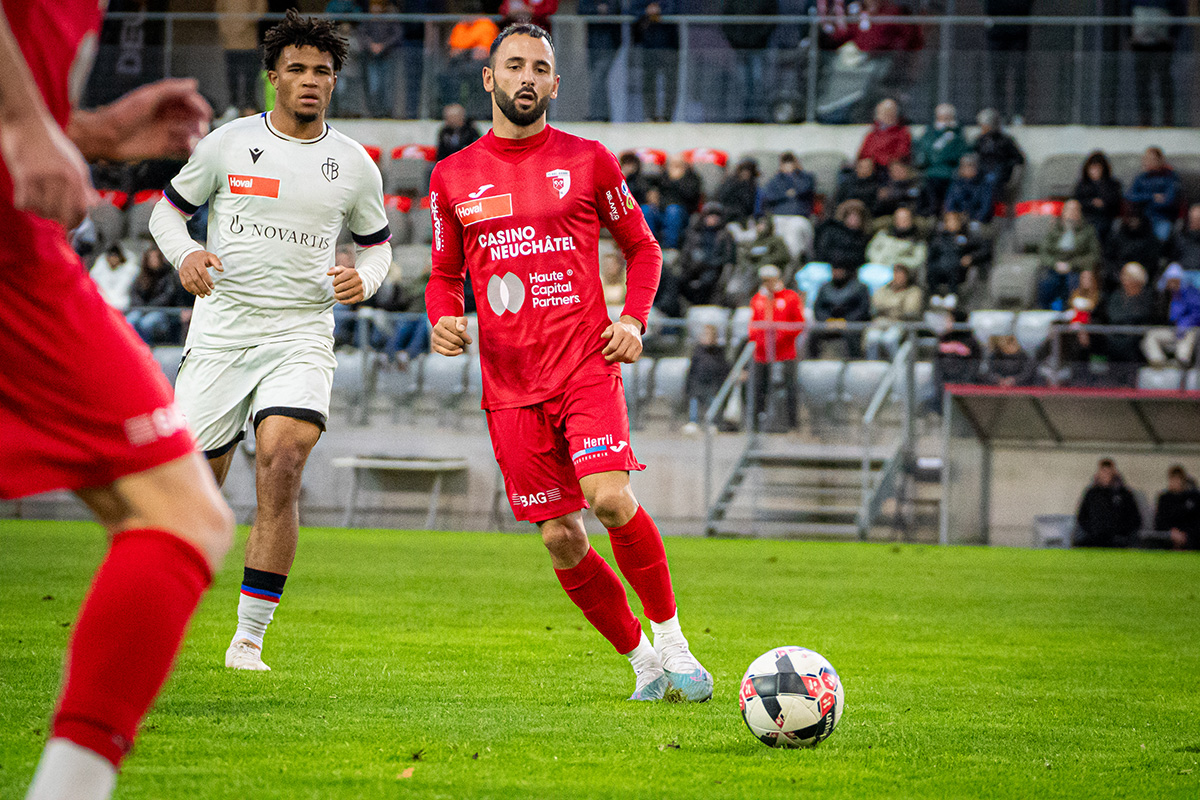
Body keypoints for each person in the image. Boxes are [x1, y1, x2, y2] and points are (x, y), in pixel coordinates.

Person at [425, 23, 712, 702]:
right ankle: (644, 665)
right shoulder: (452, 176)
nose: (526, 77)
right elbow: (443, 274)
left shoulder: (588, 160)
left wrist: (632, 320)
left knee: (608, 498)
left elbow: (643, 248)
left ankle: (674, 642)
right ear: (489, 78)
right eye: (513, 65)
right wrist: (442, 317)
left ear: (555, 84)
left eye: (539, 68)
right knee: (559, 536)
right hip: (509, 385)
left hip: (586, 363)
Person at [2, 2, 235, 798]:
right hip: (14, 244)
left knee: (182, 516)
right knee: (180, 516)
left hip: (22, 239)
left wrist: (88, 132)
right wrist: (25, 123)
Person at [148, 10, 392, 672]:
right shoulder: (226, 144)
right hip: (222, 334)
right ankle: (162, 620)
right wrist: (186, 254)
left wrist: (365, 280)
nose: (311, 80)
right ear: (273, 78)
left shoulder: (355, 165)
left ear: (334, 81)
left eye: (323, 71)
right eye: (297, 69)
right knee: (194, 491)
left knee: (282, 462)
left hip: (300, 334)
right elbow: (167, 212)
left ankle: (249, 639)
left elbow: (377, 247)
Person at [748, 264, 803, 430]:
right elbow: (754, 325)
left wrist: (780, 336)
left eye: (769, 280)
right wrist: (761, 341)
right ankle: (756, 425)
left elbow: (798, 323)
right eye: (764, 280)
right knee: (759, 387)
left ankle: (792, 424)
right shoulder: (758, 299)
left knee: (790, 387)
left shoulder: (790, 297)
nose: (767, 284)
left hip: (785, 352)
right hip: (762, 353)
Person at [1125, 0, 1183, 127]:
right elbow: (1126, 10)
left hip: (1163, 42)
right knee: (1142, 81)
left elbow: (1180, 10)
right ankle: (1145, 119)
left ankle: (1168, 119)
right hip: (1140, 43)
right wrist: (1130, 35)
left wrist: (1172, 35)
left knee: (1164, 80)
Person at [1099, 262, 1158, 385]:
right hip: (1114, 338)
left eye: (1127, 276)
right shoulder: (1115, 296)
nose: (1123, 279)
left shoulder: (1148, 297)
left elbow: (1145, 317)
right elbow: (1111, 315)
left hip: (1135, 340)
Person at [1036, 199, 1101, 311]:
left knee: (1075, 282)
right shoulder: (1054, 229)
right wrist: (1055, 264)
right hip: (1055, 267)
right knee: (1046, 282)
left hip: (1077, 268)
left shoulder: (1088, 230)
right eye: (1069, 210)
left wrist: (1072, 265)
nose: (1072, 213)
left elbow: (1093, 255)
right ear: (1063, 212)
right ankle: (1046, 311)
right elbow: (1044, 252)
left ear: (1080, 213)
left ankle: (1071, 312)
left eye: (1075, 210)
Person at [721, 0, 778, 123]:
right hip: (740, 48)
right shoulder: (733, 2)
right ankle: (744, 116)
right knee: (742, 83)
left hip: (759, 47)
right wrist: (737, 41)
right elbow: (726, 22)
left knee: (758, 81)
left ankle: (759, 115)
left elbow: (771, 19)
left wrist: (756, 39)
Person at [983, 0, 1033, 123]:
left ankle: (1018, 114)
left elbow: (1024, 6)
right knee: (998, 76)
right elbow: (990, 7)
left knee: (1019, 75)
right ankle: (1000, 114)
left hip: (1019, 32)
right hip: (997, 34)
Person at [1142, 262, 1200, 367]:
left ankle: (1181, 364)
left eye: (1175, 281)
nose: (1173, 284)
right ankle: (1159, 363)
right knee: (1151, 336)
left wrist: (1185, 324)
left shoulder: (1191, 292)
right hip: (1172, 330)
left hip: (1190, 329)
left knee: (1187, 339)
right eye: (1170, 281)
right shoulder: (1164, 294)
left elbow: (1197, 313)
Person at [679, 201, 737, 306]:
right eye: (710, 216)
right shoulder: (694, 233)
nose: (713, 219)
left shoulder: (725, 235)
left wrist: (712, 263)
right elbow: (685, 255)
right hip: (694, 269)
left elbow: (728, 257)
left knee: (708, 280)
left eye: (716, 216)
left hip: (714, 270)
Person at [761, 152, 816, 262]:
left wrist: (795, 175)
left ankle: (793, 261)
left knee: (795, 231)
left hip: (798, 216)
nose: (788, 166)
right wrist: (787, 194)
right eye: (785, 163)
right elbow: (769, 196)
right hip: (779, 216)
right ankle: (781, 260)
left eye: (790, 162)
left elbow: (805, 188)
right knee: (778, 234)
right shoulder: (775, 180)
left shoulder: (805, 177)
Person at [913, 103, 970, 210]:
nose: (945, 120)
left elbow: (961, 153)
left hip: (951, 172)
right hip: (932, 172)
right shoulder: (929, 133)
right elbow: (926, 152)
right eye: (942, 117)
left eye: (948, 117)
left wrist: (943, 156)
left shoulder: (958, 134)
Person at [1074, 458, 1142, 548]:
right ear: (1099, 473)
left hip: (1118, 540)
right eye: (1103, 472)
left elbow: (1135, 518)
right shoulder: (1091, 493)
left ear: (1114, 472)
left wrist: (1123, 533)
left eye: (1108, 472)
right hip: (1094, 539)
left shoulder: (1124, 494)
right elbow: (1082, 516)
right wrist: (1092, 530)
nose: (1105, 475)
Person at [125, 247, 186, 345]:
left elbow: (167, 297)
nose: (153, 261)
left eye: (156, 258)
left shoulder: (168, 275)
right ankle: (131, 346)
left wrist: (149, 307)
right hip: (142, 310)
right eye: (151, 258)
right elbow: (134, 294)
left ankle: (144, 347)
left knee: (146, 323)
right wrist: (143, 308)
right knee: (129, 320)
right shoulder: (141, 276)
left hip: (162, 311)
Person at [631, 0, 679, 122]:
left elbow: (679, 8)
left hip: (669, 44)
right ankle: (650, 116)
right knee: (648, 82)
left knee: (670, 83)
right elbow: (631, 9)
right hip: (647, 43)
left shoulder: (670, 4)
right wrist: (646, 11)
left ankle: (667, 117)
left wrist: (660, 10)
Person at [926, 210, 991, 298]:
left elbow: (985, 248)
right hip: (940, 271)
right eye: (949, 221)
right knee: (932, 268)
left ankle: (952, 295)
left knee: (954, 268)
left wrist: (971, 257)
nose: (952, 223)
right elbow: (931, 255)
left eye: (955, 221)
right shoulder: (939, 239)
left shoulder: (966, 237)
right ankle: (935, 295)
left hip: (958, 272)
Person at [810, 263, 870, 358]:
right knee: (813, 333)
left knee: (852, 336)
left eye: (840, 270)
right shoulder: (825, 288)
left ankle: (854, 361)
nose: (837, 273)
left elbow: (862, 309)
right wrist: (828, 321)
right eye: (835, 270)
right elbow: (818, 308)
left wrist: (844, 321)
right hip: (828, 323)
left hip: (851, 324)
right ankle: (813, 362)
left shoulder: (859, 288)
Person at [643, 154, 702, 250]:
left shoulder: (692, 178)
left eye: (678, 165)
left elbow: (691, 197)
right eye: (672, 165)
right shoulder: (663, 176)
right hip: (661, 210)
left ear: (685, 166)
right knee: (646, 209)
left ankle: (670, 248)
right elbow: (646, 182)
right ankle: (648, 246)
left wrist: (678, 180)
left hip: (682, 213)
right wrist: (651, 192)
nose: (675, 168)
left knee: (672, 210)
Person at [731, 215, 792, 307]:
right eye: (759, 224)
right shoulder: (755, 242)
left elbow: (783, 256)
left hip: (771, 268)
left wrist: (765, 260)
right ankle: (744, 302)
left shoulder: (776, 240)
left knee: (763, 273)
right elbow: (748, 256)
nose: (761, 227)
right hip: (753, 269)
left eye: (763, 224)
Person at [865, 263, 922, 360]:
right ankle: (872, 364)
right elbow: (876, 305)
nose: (898, 277)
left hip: (901, 324)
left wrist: (888, 307)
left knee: (890, 339)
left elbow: (910, 310)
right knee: (872, 337)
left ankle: (896, 366)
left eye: (901, 274)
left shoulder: (913, 291)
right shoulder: (883, 289)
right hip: (881, 323)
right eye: (896, 273)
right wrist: (896, 305)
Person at [682, 323, 730, 434]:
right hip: (698, 382)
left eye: (709, 335)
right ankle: (693, 422)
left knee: (712, 401)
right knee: (694, 400)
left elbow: (723, 369)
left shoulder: (719, 352)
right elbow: (692, 369)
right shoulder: (697, 351)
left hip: (713, 383)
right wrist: (688, 384)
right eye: (705, 334)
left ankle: (712, 423)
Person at [1126, 146, 1181, 243]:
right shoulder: (1141, 178)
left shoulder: (1169, 177)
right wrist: (1151, 197)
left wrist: (1143, 201)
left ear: (1160, 160)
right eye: (1146, 159)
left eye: (1152, 159)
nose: (1148, 162)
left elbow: (1168, 201)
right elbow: (1129, 196)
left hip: (1161, 218)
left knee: (1160, 241)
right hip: (1141, 218)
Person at [360, 0, 404, 118]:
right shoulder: (367, 20)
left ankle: (386, 112)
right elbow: (362, 34)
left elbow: (397, 34)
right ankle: (374, 112)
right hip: (371, 57)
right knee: (373, 86)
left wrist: (383, 45)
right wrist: (371, 45)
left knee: (387, 85)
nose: (376, 9)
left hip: (387, 56)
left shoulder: (389, 18)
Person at [579, 0, 622, 122]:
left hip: (610, 42)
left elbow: (617, 9)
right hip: (592, 44)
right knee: (596, 78)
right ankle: (599, 114)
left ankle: (599, 115)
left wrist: (607, 10)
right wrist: (597, 10)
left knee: (599, 77)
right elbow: (581, 9)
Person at [1103, 211, 1162, 292]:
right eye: (1131, 219)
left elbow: (1153, 262)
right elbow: (1109, 259)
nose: (1133, 222)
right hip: (1119, 278)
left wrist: (1139, 275)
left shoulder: (1149, 239)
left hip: (1142, 278)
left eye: (1136, 219)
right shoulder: (1117, 237)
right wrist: (1120, 276)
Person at [1073, 151, 1123, 245]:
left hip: (1106, 218)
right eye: (1092, 168)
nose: (1094, 172)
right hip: (1086, 216)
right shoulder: (1082, 185)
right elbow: (1077, 201)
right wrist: (1091, 203)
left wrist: (1103, 203)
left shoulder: (1112, 184)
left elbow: (1115, 202)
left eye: (1097, 169)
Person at [972, 109, 1024, 193]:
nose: (982, 128)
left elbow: (1019, 159)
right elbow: (972, 153)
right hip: (982, 169)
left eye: (984, 125)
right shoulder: (980, 140)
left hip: (999, 171)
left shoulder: (1005, 140)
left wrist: (1005, 165)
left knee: (988, 182)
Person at [866, 206, 928, 274]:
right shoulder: (883, 234)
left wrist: (897, 262)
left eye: (905, 219)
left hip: (901, 273)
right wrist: (879, 261)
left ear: (911, 220)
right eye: (899, 218)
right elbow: (871, 250)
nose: (902, 221)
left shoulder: (917, 241)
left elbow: (918, 260)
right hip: (877, 268)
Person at [814, 198, 869, 271]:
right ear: (844, 217)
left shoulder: (863, 238)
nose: (854, 219)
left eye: (858, 216)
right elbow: (822, 252)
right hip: (828, 267)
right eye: (851, 215)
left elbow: (861, 258)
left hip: (852, 270)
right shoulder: (831, 232)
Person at [857, 98, 911, 172]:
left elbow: (901, 154)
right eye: (884, 113)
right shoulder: (872, 134)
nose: (887, 116)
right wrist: (865, 161)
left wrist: (875, 160)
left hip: (888, 168)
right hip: (871, 168)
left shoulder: (902, 133)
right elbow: (862, 154)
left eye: (890, 113)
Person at [1154, 465, 1200, 550]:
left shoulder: (1194, 498)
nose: (1175, 482)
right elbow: (1159, 520)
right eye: (1173, 479)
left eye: (1178, 479)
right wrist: (1171, 532)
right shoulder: (1164, 499)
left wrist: (1186, 534)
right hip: (1169, 535)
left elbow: (1196, 521)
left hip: (1190, 536)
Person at [716, 158, 761, 241]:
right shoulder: (731, 182)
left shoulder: (752, 186)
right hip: (731, 217)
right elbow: (722, 197)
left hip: (744, 218)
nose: (746, 174)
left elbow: (751, 204)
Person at [943, 154, 995, 225]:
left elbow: (985, 206)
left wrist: (976, 219)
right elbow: (949, 203)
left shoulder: (984, 185)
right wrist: (954, 215)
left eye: (971, 166)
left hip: (978, 220)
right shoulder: (956, 184)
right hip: (959, 218)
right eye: (965, 166)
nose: (968, 169)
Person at [89, 243, 140, 312]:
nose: (113, 259)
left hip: (122, 306)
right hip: (103, 306)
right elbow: (93, 277)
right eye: (111, 256)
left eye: (116, 257)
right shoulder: (99, 269)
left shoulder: (128, 271)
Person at [1168, 203, 1200, 273]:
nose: (1194, 220)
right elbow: (1171, 255)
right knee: (1173, 269)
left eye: (1198, 218)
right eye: (1193, 217)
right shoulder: (1179, 235)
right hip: (1181, 271)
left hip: (1198, 272)